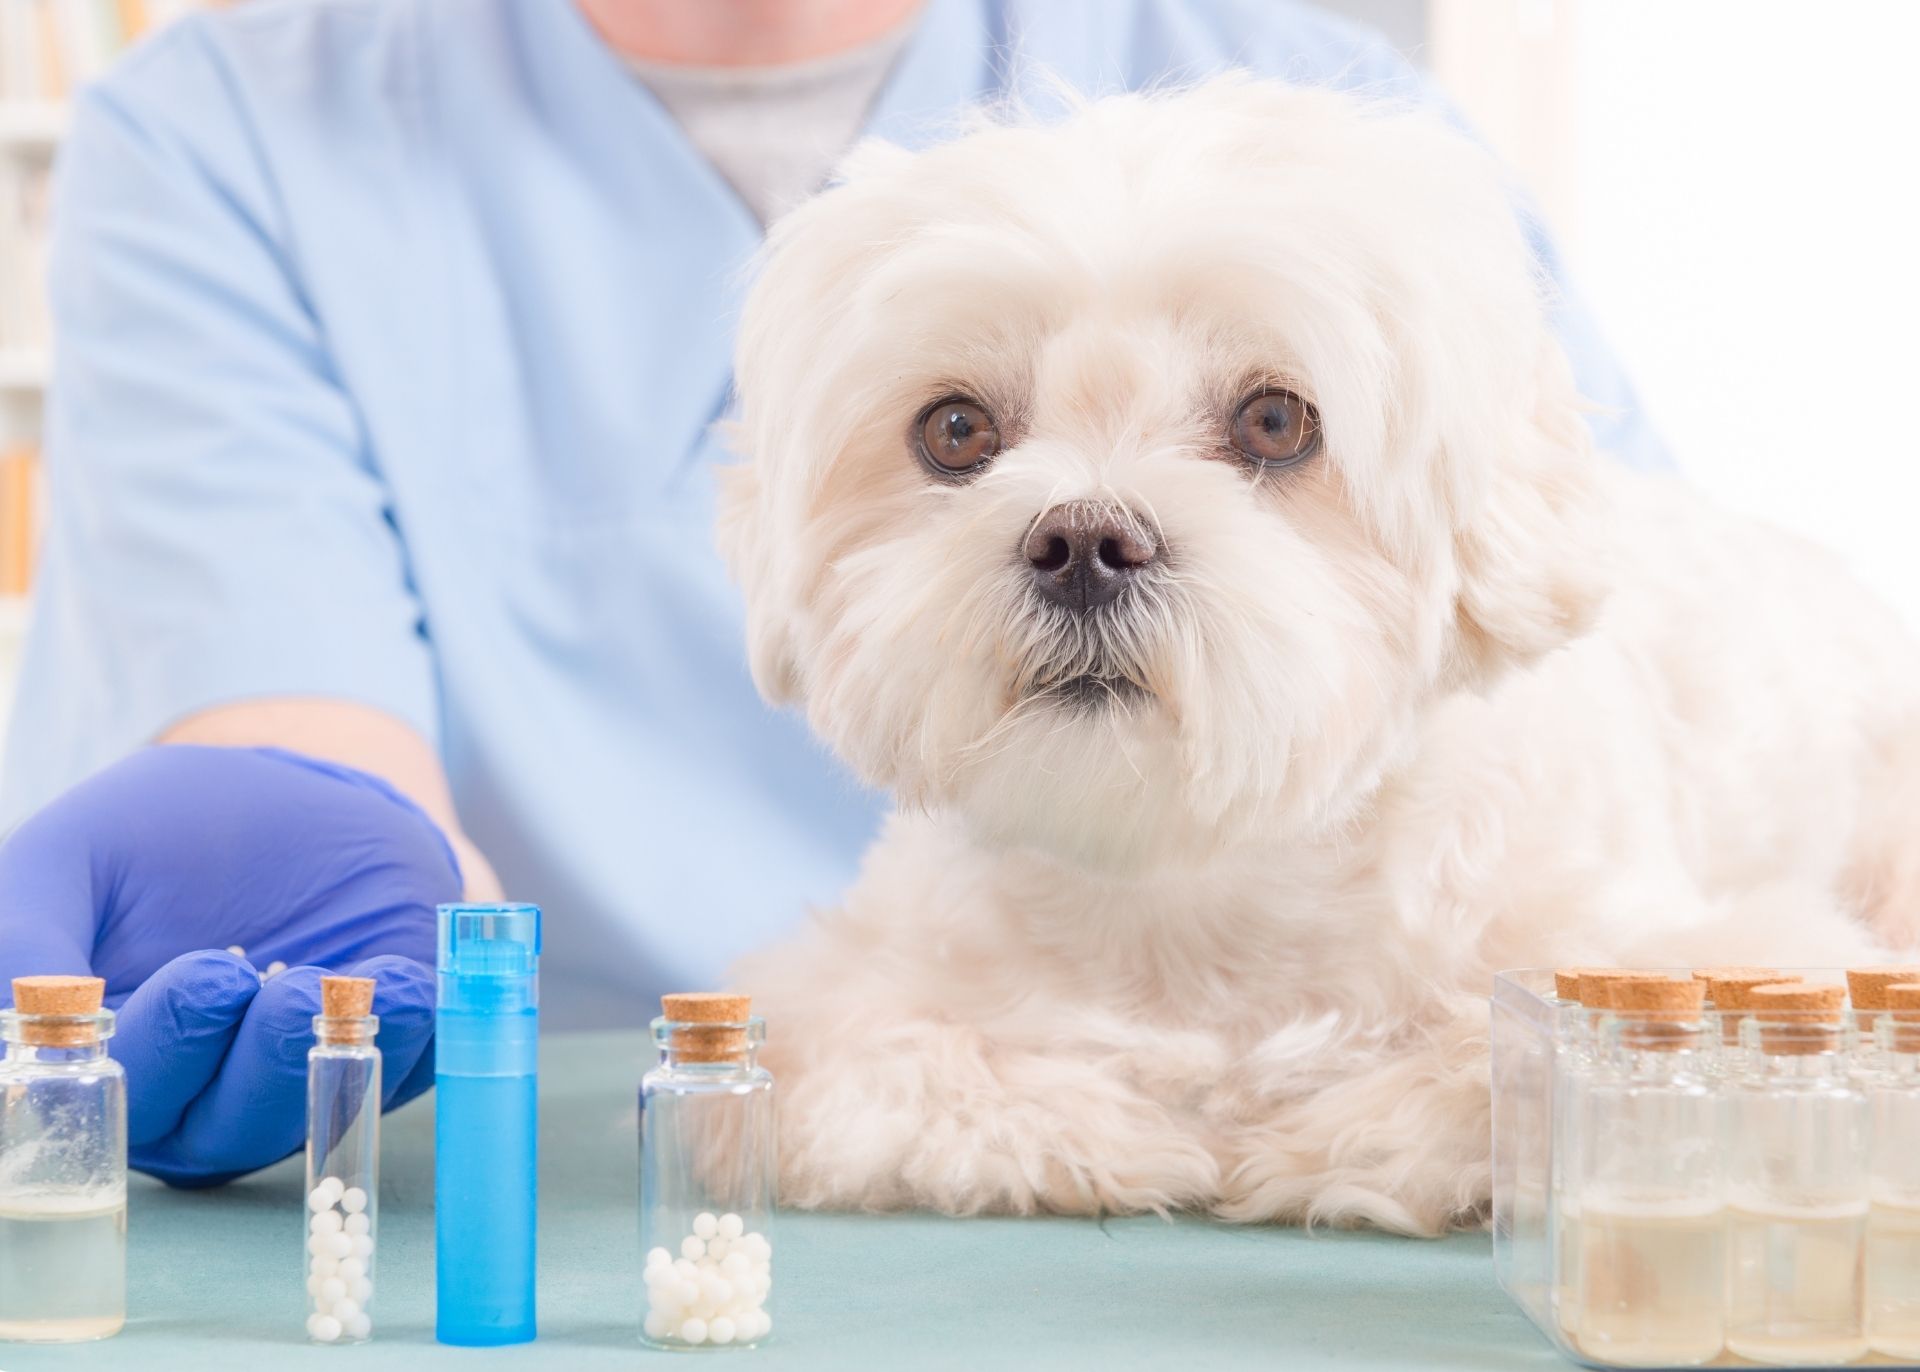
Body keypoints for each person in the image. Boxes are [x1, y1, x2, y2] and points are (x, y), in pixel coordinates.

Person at [0, 0, 1668, 1184]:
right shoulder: (226, 136)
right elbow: (312, 762)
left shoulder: (1344, 125)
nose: (1087, 529)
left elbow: (1625, 643)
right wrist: (344, 912)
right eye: (962, 433)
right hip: (597, 1157)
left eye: (1267, 429)